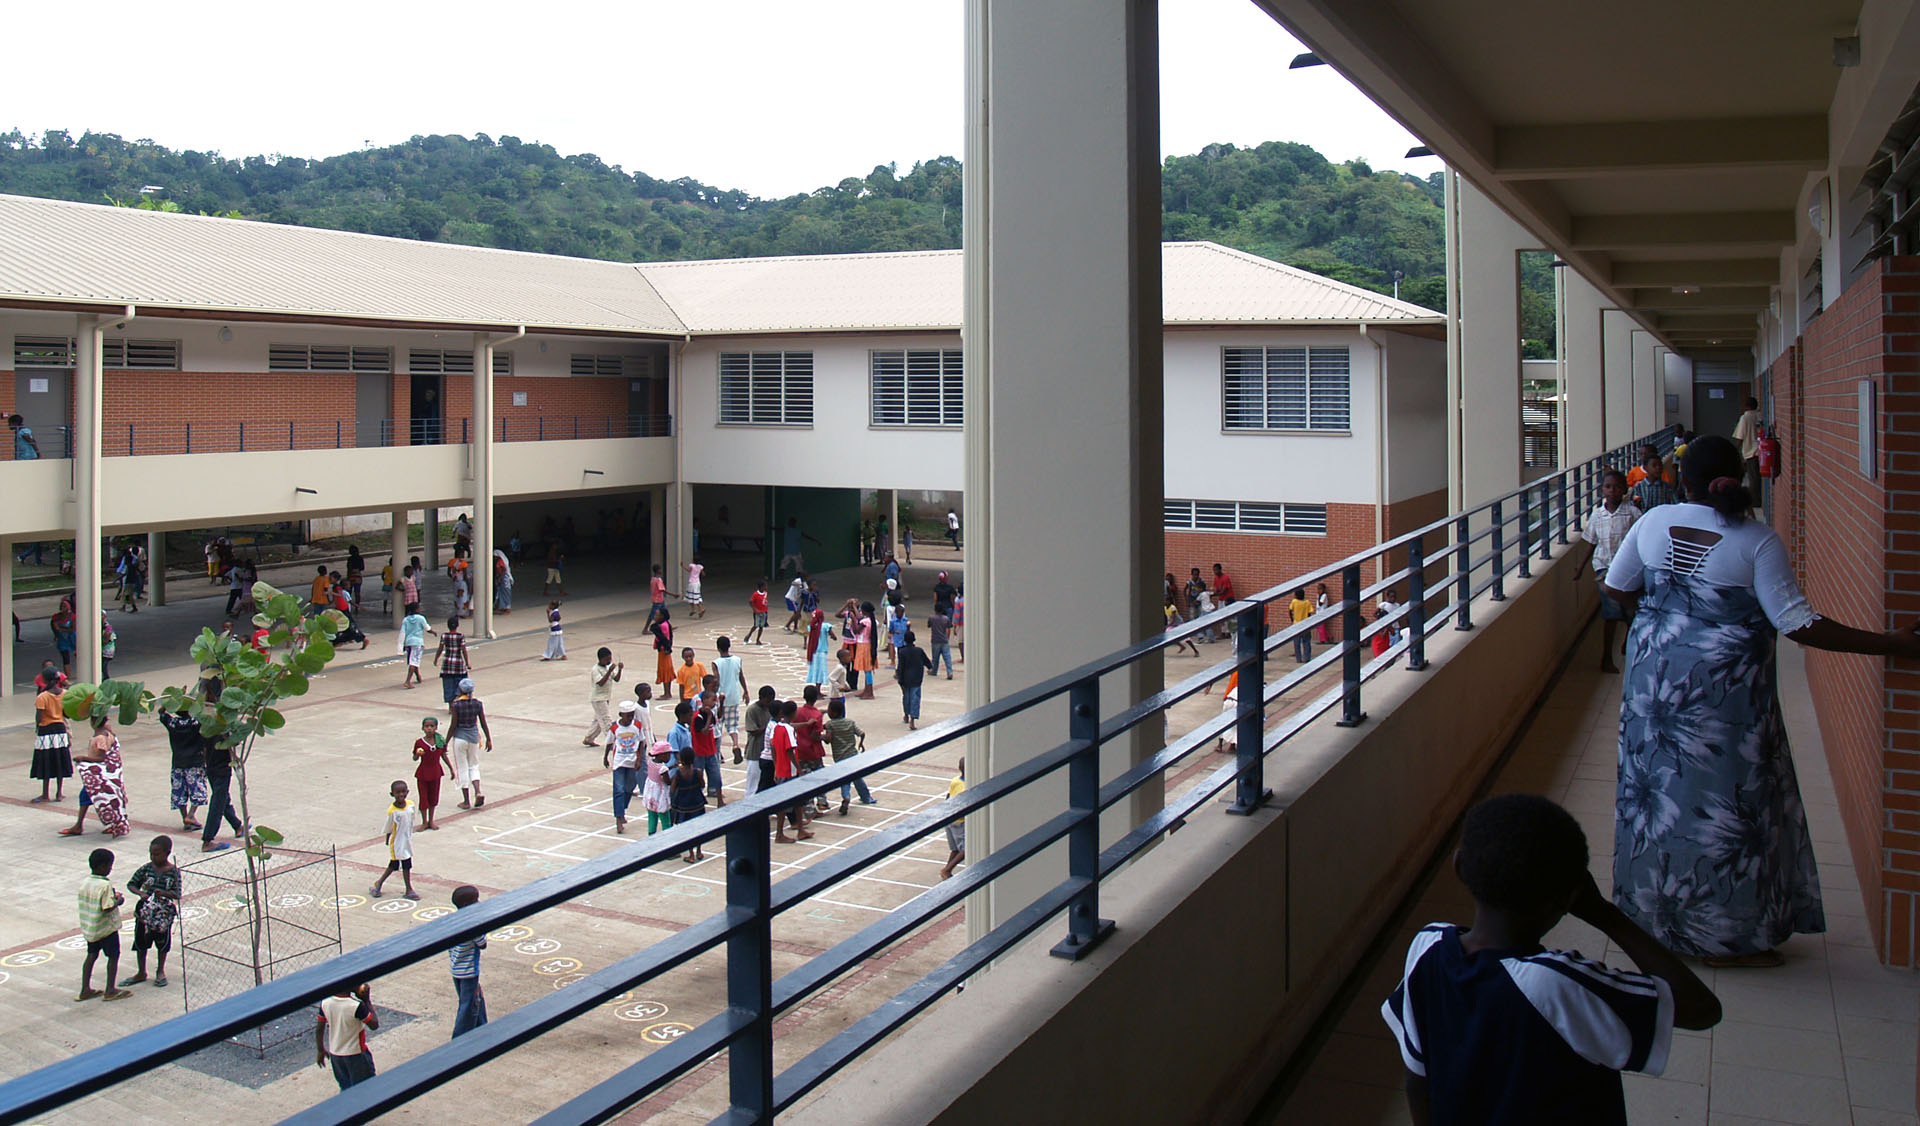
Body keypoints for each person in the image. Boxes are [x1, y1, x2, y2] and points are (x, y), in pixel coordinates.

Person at [1602, 434, 1920, 966]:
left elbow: (1616, 587)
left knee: (1655, 794)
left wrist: (1665, 619)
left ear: (1686, 481)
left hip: (1654, 683)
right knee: (1728, 803)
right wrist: (1890, 644)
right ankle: (1729, 937)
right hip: (1727, 698)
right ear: (1738, 478)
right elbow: (1797, 622)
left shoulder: (1653, 523)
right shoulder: (1757, 540)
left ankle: (1656, 920)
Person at [1385, 796, 1719, 1126]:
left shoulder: (1426, 950)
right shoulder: (1558, 986)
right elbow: (1701, 1008)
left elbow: (1418, 1079)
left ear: (1459, 867)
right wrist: (1605, 915)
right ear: (1570, 896)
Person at [1582, 469, 1642, 675]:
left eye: (1617, 487)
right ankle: (1606, 658)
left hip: (1626, 567)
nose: (1612, 490)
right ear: (1602, 490)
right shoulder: (1597, 514)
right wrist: (1581, 567)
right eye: (1608, 486)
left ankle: (1627, 642)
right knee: (1610, 610)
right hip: (1604, 567)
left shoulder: (1633, 513)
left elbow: (1640, 541)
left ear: (1624, 490)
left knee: (1630, 610)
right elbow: (1591, 543)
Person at [121, 835, 180, 989]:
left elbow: (177, 894)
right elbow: (132, 884)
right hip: (145, 913)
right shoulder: (146, 868)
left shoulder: (173, 872)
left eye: (157, 854)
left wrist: (164, 893)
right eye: (151, 854)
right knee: (141, 942)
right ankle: (141, 971)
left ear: (167, 853)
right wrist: (141, 893)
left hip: (163, 915)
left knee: (162, 942)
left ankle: (160, 971)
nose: (153, 857)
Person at [77, 847, 132, 1002]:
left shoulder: (86, 882)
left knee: (91, 955)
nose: (110, 868)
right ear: (102, 866)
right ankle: (110, 990)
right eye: (109, 865)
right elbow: (107, 907)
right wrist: (118, 900)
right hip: (106, 929)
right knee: (113, 956)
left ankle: (85, 989)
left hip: (91, 928)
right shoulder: (105, 885)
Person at [64, 714, 129, 838]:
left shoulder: (100, 738)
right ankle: (116, 823)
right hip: (106, 774)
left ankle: (79, 825)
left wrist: (84, 758)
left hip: (98, 776)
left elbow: (101, 757)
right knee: (112, 798)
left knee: (84, 797)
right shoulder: (108, 732)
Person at [315, 983, 381, 1090]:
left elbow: (319, 1029)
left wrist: (320, 1050)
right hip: (356, 1054)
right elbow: (374, 1024)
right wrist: (367, 1001)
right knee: (366, 1088)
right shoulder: (356, 1006)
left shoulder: (325, 1003)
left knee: (346, 1087)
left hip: (336, 1055)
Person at [158, 702, 208, 831]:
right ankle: (191, 815)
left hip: (178, 762)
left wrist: (168, 705)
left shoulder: (172, 723)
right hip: (195, 761)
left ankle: (185, 818)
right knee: (197, 789)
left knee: (179, 791)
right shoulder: (196, 723)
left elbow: (162, 714)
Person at [368, 779, 420, 900]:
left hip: (406, 840)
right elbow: (389, 827)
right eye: (398, 792)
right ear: (392, 794)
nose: (401, 795)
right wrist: (388, 839)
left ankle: (380, 883)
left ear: (407, 792)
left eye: (403, 792)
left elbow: (411, 819)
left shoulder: (410, 805)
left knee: (400, 864)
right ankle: (408, 888)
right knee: (400, 864)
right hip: (397, 842)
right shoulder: (393, 811)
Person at [448, 885, 488, 1037]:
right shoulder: (471, 924)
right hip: (468, 970)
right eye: (475, 900)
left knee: (476, 998)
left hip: (456, 968)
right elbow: (482, 943)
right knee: (468, 1005)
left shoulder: (454, 920)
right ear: (466, 905)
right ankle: (459, 1037)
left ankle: (482, 1026)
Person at [446, 678, 492, 811]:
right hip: (473, 738)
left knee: (462, 768)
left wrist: (446, 741)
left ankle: (466, 800)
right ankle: (478, 791)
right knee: (473, 765)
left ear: (460, 690)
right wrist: (488, 738)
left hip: (460, 738)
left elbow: (453, 725)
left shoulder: (456, 705)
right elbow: (483, 722)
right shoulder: (477, 704)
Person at [824, 698, 874, 814]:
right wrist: (861, 744)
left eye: (829, 711)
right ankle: (866, 797)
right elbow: (861, 733)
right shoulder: (850, 722)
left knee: (844, 780)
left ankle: (846, 796)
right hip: (852, 754)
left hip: (840, 756)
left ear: (835, 713)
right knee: (857, 777)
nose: (828, 713)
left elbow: (828, 740)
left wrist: (822, 736)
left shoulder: (830, 725)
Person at [31, 670, 72, 804]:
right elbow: (67, 714)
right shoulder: (65, 694)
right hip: (60, 730)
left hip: (46, 730)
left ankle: (45, 794)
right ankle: (59, 793)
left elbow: (39, 717)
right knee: (60, 759)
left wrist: (37, 728)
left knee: (46, 761)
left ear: (45, 680)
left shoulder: (42, 697)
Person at [605, 700, 645, 834]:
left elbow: (641, 742)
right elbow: (610, 743)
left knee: (629, 788)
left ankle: (622, 809)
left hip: (632, 762)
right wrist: (605, 757)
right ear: (621, 714)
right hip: (619, 762)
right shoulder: (615, 727)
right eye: (627, 715)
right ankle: (618, 817)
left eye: (631, 715)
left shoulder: (637, 726)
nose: (629, 718)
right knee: (619, 790)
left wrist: (639, 759)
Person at [412, 717, 452, 831]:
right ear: (423, 728)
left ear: (436, 728)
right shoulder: (419, 743)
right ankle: (424, 822)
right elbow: (414, 758)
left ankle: (431, 820)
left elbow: (444, 755)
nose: (429, 729)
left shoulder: (440, 741)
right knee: (423, 797)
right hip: (423, 772)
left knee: (433, 797)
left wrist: (451, 769)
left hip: (435, 772)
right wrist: (418, 754)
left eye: (432, 726)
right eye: (427, 726)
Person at [711, 636, 747, 763]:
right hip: (734, 696)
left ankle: (718, 753)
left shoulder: (716, 663)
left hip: (721, 697)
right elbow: (741, 676)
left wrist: (712, 696)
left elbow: (717, 680)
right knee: (733, 726)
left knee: (717, 726)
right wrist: (746, 691)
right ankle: (736, 744)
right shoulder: (738, 660)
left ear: (718, 648)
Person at [670, 748, 707, 862]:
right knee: (698, 828)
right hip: (697, 802)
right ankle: (699, 852)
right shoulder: (698, 772)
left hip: (683, 805)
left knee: (688, 830)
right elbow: (702, 785)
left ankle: (691, 854)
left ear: (681, 759)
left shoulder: (678, 773)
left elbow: (672, 789)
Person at [894, 629, 932, 729]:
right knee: (915, 699)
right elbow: (927, 661)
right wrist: (930, 668)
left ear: (905, 640)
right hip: (917, 678)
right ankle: (912, 719)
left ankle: (906, 714)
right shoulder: (919, 651)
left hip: (906, 679)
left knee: (906, 698)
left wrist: (900, 680)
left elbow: (900, 667)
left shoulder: (902, 652)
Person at [742, 685, 777, 794]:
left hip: (767, 754)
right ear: (761, 697)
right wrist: (769, 727)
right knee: (753, 783)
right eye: (768, 700)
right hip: (755, 752)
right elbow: (753, 731)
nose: (769, 703)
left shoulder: (770, 710)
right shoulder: (752, 710)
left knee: (766, 782)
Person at [585, 648, 623, 745]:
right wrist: (609, 671)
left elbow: (617, 679)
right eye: (607, 659)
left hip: (606, 697)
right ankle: (612, 742)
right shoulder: (595, 669)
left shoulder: (608, 667)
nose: (609, 661)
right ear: (601, 659)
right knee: (606, 720)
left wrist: (620, 670)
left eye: (610, 659)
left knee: (598, 720)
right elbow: (601, 683)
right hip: (598, 698)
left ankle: (589, 738)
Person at [1626, 445, 1679, 511]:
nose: (1658, 468)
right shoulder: (1639, 486)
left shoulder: (1666, 487)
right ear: (1646, 468)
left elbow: (1674, 503)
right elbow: (1632, 503)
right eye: (1654, 466)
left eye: (1660, 465)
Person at [1732, 394, 1763, 500]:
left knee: (1753, 478)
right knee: (1759, 477)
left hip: (1751, 452)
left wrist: (1736, 449)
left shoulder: (1745, 417)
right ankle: (1759, 498)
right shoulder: (1760, 415)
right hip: (1761, 450)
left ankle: (1755, 500)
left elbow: (1740, 436)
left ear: (1746, 406)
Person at [433, 617, 469, 704]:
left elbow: (440, 649)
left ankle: (451, 706)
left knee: (448, 687)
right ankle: (458, 703)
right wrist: (467, 663)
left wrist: (436, 659)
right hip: (458, 665)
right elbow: (464, 650)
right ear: (457, 625)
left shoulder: (444, 636)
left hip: (447, 665)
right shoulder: (460, 636)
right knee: (460, 686)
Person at [643, 737, 675, 834]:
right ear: (662, 755)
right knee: (665, 819)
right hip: (660, 796)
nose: (670, 757)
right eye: (668, 755)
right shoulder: (663, 769)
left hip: (651, 793)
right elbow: (668, 782)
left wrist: (673, 766)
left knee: (652, 817)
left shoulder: (650, 762)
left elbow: (658, 771)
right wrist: (676, 775)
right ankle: (667, 836)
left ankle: (651, 835)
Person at [940, 760, 966, 880]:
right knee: (966, 849)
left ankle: (946, 870)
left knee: (955, 849)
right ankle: (947, 870)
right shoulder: (967, 787)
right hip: (959, 821)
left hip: (949, 818)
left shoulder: (955, 780)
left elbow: (948, 797)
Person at [400, 606, 433, 689]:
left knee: (413, 660)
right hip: (417, 642)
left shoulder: (406, 619)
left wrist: (402, 644)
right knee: (414, 661)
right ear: (416, 609)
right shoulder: (421, 618)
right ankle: (407, 681)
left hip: (408, 642)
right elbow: (427, 628)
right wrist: (433, 632)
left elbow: (403, 632)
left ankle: (418, 676)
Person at [648, 607, 676, 697]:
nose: (655, 616)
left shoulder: (662, 626)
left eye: (657, 615)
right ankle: (667, 692)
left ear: (662, 616)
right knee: (665, 670)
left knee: (665, 670)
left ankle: (667, 693)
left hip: (664, 651)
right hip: (664, 650)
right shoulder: (664, 624)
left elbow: (663, 638)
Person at [851, 604, 876, 699]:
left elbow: (856, 630)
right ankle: (866, 690)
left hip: (864, 645)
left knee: (867, 670)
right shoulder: (872, 621)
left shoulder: (865, 621)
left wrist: (853, 620)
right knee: (867, 670)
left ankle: (869, 692)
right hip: (868, 644)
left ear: (865, 612)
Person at [805, 609, 833, 687]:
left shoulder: (812, 626)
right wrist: (833, 637)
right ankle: (818, 689)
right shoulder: (825, 626)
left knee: (815, 669)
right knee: (821, 670)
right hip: (822, 651)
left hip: (814, 651)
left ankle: (817, 688)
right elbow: (833, 635)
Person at [927, 605, 956, 677]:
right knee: (947, 657)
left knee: (935, 658)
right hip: (944, 640)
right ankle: (950, 672)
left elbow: (928, 625)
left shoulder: (932, 618)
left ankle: (934, 670)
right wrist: (947, 638)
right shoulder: (946, 618)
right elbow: (948, 628)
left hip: (935, 640)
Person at [51, 597, 76, 679]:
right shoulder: (56, 617)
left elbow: (73, 629)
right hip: (62, 639)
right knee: (65, 656)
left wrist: (61, 629)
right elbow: (53, 625)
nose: (62, 608)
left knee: (78, 654)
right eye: (61, 606)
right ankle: (68, 676)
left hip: (72, 638)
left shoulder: (72, 616)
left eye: (65, 606)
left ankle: (83, 670)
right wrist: (56, 634)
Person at [1288, 588, 1314, 662]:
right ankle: (1307, 657)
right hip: (1305, 624)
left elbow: (1290, 611)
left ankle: (1298, 658)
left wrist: (1292, 620)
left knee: (1297, 643)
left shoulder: (1294, 602)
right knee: (1306, 642)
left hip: (1296, 624)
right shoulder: (1307, 602)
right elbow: (1310, 613)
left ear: (1295, 595)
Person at [745, 580, 770, 646]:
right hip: (757, 613)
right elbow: (750, 602)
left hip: (764, 612)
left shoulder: (765, 593)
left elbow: (765, 602)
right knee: (756, 625)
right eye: (765, 586)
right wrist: (755, 609)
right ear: (761, 587)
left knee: (761, 626)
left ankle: (758, 639)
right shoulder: (756, 594)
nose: (766, 587)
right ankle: (748, 635)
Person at [492, 548, 513, 615]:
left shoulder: (501, 562)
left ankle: (507, 608)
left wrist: (500, 578)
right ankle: (500, 606)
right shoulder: (497, 562)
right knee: (500, 593)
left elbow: (503, 570)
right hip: (500, 578)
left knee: (505, 593)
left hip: (504, 579)